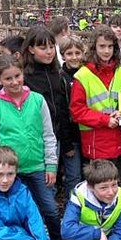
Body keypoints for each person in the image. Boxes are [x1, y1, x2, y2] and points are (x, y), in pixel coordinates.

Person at [0, 55, 65, 240]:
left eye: (17, 76)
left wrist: (51, 165)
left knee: (50, 209)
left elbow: (48, 134)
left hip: (37, 166)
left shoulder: (37, 100)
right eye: (8, 78)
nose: (15, 82)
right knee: (21, 213)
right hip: (10, 172)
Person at [70, 25, 121, 190]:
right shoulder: (83, 76)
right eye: (102, 46)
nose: (107, 51)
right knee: (101, 188)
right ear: (94, 48)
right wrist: (106, 120)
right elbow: (77, 111)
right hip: (95, 142)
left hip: (119, 140)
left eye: (110, 46)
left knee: (120, 187)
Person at [21, 27, 75, 197]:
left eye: (52, 47)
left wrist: (66, 142)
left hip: (54, 138)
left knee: (48, 184)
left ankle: (47, 220)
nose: (49, 52)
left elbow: (62, 110)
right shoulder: (23, 77)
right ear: (31, 49)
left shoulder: (58, 75)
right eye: (43, 48)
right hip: (31, 140)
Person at [59, 35, 85, 198]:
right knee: (73, 175)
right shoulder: (61, 77)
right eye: (69, 53)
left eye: (77, 53)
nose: (74, 57)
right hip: (71, 135)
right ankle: (72, 208)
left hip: (88, 133)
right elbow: (61, 112)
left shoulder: (88, 73)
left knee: (88, 173)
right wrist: (66, 143)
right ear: (63, 55)